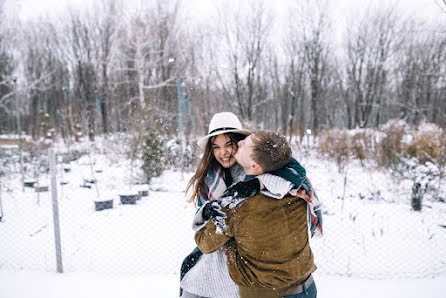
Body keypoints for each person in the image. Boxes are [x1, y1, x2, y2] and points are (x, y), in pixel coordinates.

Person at [180, 112, 322, 298]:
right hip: (220, 249)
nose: (223, 152)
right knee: (190, 272)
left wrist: (259, 184)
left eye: (229, 144)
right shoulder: (209, 178)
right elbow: (206, 228)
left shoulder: (260, 165)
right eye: (216, 147)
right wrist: (206, 211)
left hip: (250, 261)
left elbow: (295, 174)